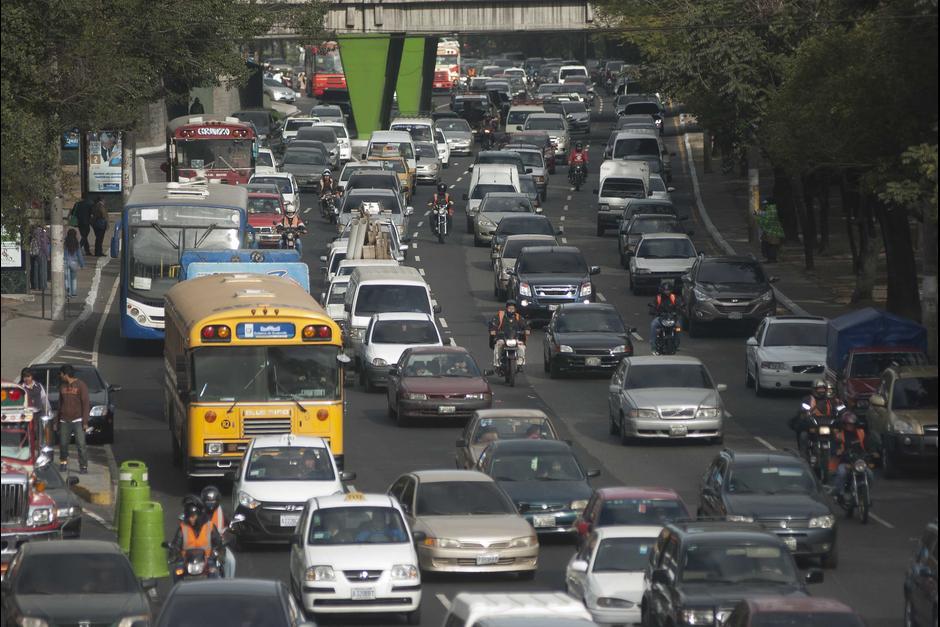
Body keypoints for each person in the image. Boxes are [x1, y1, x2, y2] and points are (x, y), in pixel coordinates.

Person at [168, 501, 223, 581]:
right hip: (186, 561)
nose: (191, 519)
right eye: (189, 517)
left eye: (193, 516)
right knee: (177, 572)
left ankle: (215, 590)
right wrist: (173, 554)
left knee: (214, 572)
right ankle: (179, 592)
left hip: (207, 559)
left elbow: (218, 543)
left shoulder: (210, 526)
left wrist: (217, 554)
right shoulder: (183, 528)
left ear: (199, 515)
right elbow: (176, 544)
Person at [790, 379, 845, 456]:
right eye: (819, 388)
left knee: (841, 434)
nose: (821, 391)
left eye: (823, 388)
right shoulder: (808, 399)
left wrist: (842, 413)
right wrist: (804, 412)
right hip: (814, 424)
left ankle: (842, 453)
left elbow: (841, 409)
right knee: (804, 435)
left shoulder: (832, 400)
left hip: (829, 424)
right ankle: (803, 455)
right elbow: (803, 408)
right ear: (814, 389)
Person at [829, 412, 874, 500]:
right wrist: (837, 451)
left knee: (869, 474)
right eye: (848, 424)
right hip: (845, 462)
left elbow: (868, 445)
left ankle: (864, 490)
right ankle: (840, 494)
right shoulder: (839, 435)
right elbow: (834, 447)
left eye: (852, 424)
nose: (850, 426)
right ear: (844, 425)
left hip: (858, 461)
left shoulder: (861, 433)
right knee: (842, 473)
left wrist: (873, 452)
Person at [57, 364, 89, 473]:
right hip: (64, 420)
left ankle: (83, 466)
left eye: (61, 374)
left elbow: (85, 404)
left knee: (81, 444)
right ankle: (63, 463)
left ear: (66, 374)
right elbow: (60, 404)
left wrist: (85, 422)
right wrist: (57, 421)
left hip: (78, 420)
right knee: (63, 443)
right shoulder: (62, 386)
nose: (60, 376)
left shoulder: (81, 385)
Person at [201, 485, 235, 578]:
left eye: (212, 501)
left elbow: (231, 523)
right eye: (208, 501)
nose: (210, 504)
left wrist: (233, 528)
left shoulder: (222, 511)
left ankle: (229, 584)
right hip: (200, 546)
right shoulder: (198, 512)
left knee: (230, 561)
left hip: (219, 545)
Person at [489, 299, 529, 368]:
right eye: (509, 308)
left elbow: (525, 325)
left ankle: (520, 363)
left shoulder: (518, 317)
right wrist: (493, 330)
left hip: (515, 338)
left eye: (512, 309)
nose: (511, 310)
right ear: (506, 308)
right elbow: (493, 323)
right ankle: (497, 363)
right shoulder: (500, 316)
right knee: (498, 345)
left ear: (515, 309)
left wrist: (527, 329)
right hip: (502, 338)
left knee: (521, 347)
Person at [649, 281, 682, 355]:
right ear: (662, 290)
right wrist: (653, 310)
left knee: (678, 327)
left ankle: (677, 343)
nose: (667, 292)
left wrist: (680, 309)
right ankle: (653, 345)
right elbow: (653, 306)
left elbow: (679, 305)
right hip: (660, 318)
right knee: (653, 325)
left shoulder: (674, 297)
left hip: (672, 318)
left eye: (668, 290)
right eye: (665, 290)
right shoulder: (658, 298)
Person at [755, 198, 784, 263]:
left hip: (770, 231)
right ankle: (772, 258)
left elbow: (765, 222)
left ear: (768, 204)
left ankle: (771, 259)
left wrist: (757, 217)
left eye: (765, 204)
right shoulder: (774, 209)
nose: (763, 205)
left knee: (769, 245)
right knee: (773, 245)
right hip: (776, 231)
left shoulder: (770, 210)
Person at [63, 228, 85, 298]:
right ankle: (74, 293)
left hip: (66, 261)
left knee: (67, 279)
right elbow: (79, 254)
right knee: (74, 279)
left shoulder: (65, 243)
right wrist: (82, 265)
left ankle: (68, 293)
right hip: (74, 263)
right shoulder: (76, 243)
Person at [29, 225, 50, 291]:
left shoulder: (33, 234)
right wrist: (47, 255)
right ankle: (42, 286)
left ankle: (36, 286)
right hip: (42, 254)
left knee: (35, 271)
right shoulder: (42, 234)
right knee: (42, 271)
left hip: (35, 255)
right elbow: (44, 246)